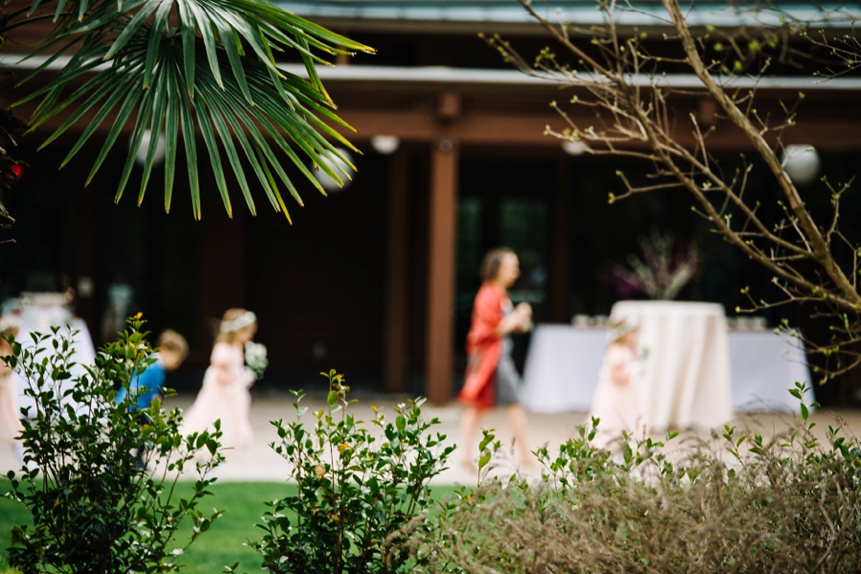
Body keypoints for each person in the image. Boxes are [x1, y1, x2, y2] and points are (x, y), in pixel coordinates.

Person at [457, 247, 536, 470]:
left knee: (478, 406)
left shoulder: (499, 294)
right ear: (498, 268)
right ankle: (526, 455)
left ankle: (465, 454)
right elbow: (494, 329)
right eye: (512, 266)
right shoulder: (489, 294)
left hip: (497, 357)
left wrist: (518, 320)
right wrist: (519, 315)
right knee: (514, 403)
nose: (516, 271)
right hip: (494, 358)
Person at [181, 308, 258, 451]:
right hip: (219, 390)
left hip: (232, 390)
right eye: (248, 332)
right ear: (237, 331)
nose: (250, 336)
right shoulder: (222, 348)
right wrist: (239, 378)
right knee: (211, 417)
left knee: (230, 417)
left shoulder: (237, 346)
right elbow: (220, 376)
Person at [115, 329, 189, 467]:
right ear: (165, 349)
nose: (177, 364)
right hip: (134, 405)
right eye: (176, 358)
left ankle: (134, 460)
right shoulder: (155, 367)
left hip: (135, 404)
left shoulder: (151, 363)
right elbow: (143, 388)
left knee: (137, 433)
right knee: (139, 433)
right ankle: (129, 460)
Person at [588, 318, 646, 457]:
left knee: (628, 420)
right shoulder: (616, 350)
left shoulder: (630, 349)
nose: (635, 337)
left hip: (628, 394)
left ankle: (623, 449)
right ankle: (608, 449)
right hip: (616, 394)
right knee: (613, 420)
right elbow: (614, 373)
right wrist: (628, 376)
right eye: (632, 334)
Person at [0, 314, 24, 461]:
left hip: (8, 386)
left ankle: (20, 450)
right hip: (2, 386)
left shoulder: (11, 349)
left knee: (11, 412)